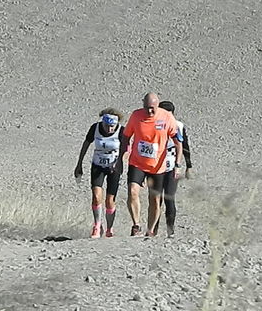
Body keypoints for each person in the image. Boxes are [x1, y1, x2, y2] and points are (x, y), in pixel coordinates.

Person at [122, 93, 183, 237]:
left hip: (157, 166)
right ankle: (136, 225)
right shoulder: (136, 116)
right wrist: (125, 151)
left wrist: (178, 164)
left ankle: (150, 230)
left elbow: (178, 142)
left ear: (158, 105)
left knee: (155, 199)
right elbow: (126, 135)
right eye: (146, 108)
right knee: (132, 191)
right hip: (137, 162)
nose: (149, 111)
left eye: (152, 108)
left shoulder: (167, 117)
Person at [74, 108, 125, 238]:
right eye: (107, 126)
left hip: (114, 167)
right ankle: (97, 225)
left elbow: (126, 148)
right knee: (96, 196)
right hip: (98, 165)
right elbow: (86, 144)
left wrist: (119, 161)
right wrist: (79, 163)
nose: (109, 129)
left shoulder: (121, 130)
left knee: (110, 200)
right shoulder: (95, 128)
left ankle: (109, 228)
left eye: (112, 127)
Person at [152, 100, 193, 237]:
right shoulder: (153, 124)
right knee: (156, 199)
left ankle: (171, 230)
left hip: (172, 166)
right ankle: (153, 229)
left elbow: (185, 146)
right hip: (155, 167)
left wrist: (188, 166)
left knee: (169, 197)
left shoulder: (178, 126)